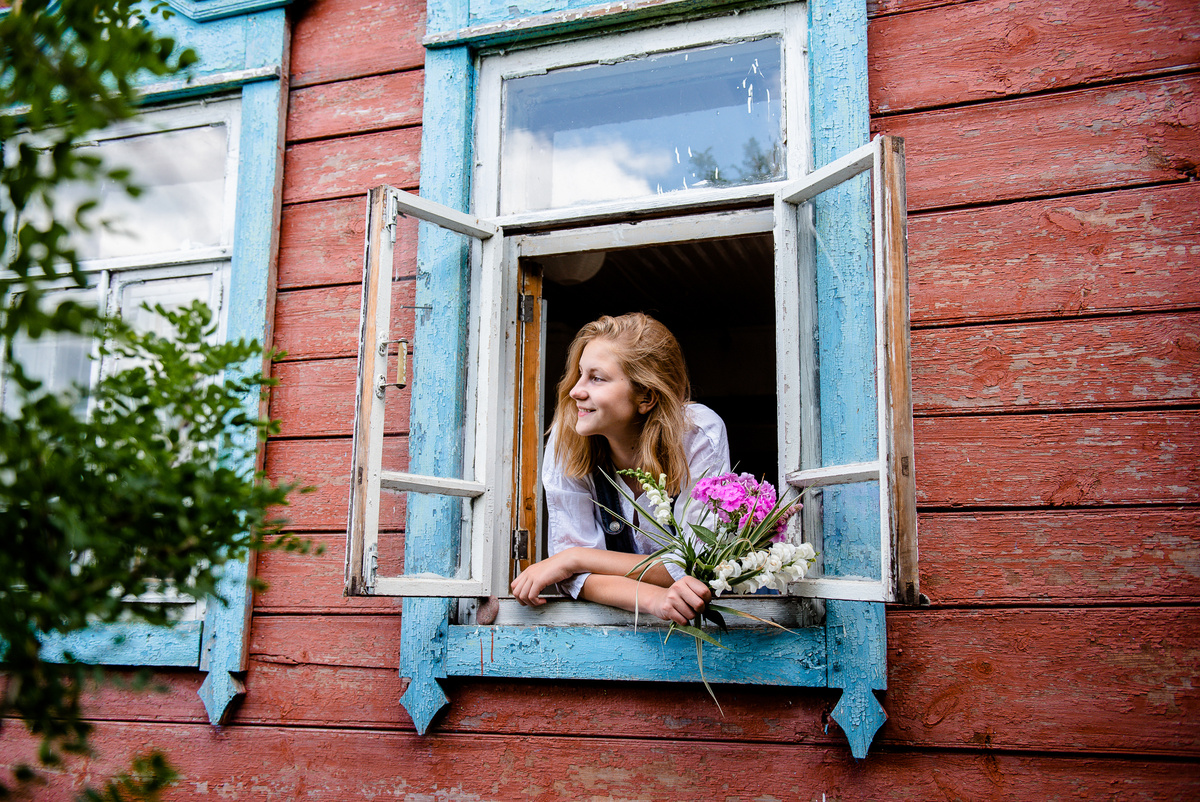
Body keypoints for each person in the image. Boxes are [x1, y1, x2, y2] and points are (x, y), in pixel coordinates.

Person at [510, 313, 730, 625]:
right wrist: (653, 599)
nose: (575, 390)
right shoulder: (568, 436)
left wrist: (575, 557)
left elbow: (698, 564)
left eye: (596, 378)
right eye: (580, 374)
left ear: (646, 396)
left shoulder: (698, 434)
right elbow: (576, 580)